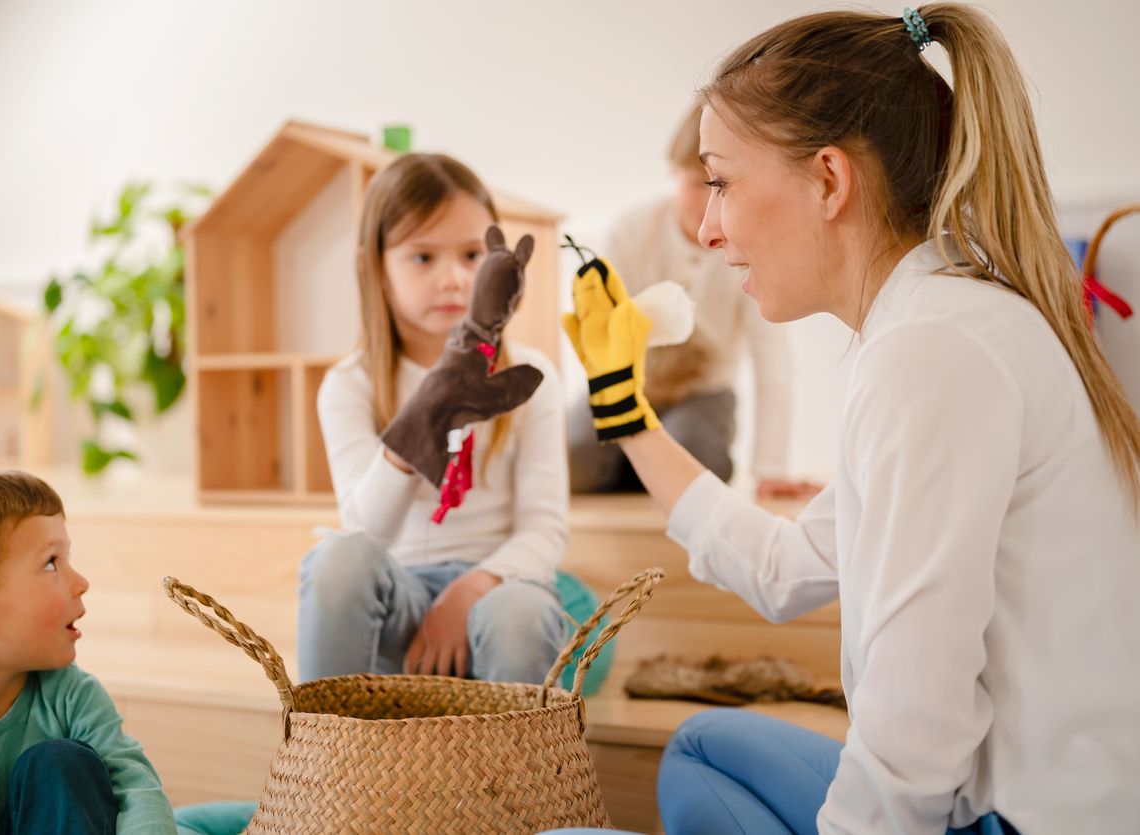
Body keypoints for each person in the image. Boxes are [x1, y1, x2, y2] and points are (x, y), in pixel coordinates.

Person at [550, 4, 1140, 834]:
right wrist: (623, 404)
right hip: (1008, 796)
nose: (710, 228)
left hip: (1019, 819)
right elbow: (787, 568)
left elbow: (913, 734)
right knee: (702, 747)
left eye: (720, 181)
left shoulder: (930, 354)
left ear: (829, 179)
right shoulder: (933, 319)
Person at [297, 152, 570, 684]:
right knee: (336, 561)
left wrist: (472, 590)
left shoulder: (534, 376)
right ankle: (330, 756)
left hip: (495, 598)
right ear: (375, 265)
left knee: (521, 615)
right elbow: (365, 535)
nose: (453, 278)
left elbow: (545, 529)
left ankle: (522, 768)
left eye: (472, 254)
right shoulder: (349, 385)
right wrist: (422, 416)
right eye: (422, 257)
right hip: (395, 606)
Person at [0, 468, 178, 834]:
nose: (81, 582)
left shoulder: (73, 696)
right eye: (52, 562)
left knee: (59, 761)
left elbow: (135, 789)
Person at [568, 105, 817, 499]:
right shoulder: (632, 232)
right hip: (629, 386)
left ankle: (649, 472)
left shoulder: (748, 245)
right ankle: (639, 471)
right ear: (673, 172)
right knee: (574, 459)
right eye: (695, 184)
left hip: (704, 392)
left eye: (719, 185)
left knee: (698, 455)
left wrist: (771, 468)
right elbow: (602, 326)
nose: (706, 201)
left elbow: (772, 356)